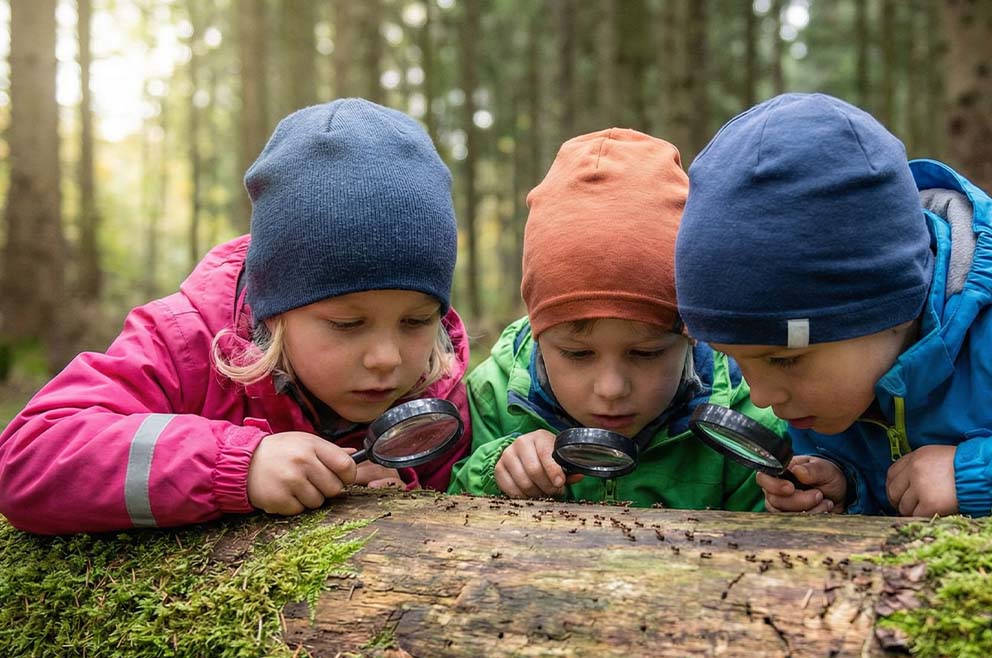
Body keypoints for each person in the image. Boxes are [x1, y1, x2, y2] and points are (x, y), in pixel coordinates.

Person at [673, 92, 992, 517]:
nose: (763, 397)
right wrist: (848, 487)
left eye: (784, 359)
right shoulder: (834, 380)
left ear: (885, 306)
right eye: (738, 359)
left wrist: (979, 474)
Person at [0, 98, 471, 534]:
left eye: (415, 321)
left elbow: (462, 499)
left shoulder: (435, 384)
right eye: (347, 324)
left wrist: (407, 495)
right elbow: (27, 459)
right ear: (274, 309)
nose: (387, 358)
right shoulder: (185, 343)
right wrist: (238, 464)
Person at [449, 128, 784, 510]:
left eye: (645, 353)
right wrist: (495, 471)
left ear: (691, 333)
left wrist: (788, 500)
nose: (611, 389)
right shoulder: (493, 398)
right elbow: (448, 503)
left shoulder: (743, 414)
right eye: (578, 354)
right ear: (539, 334)